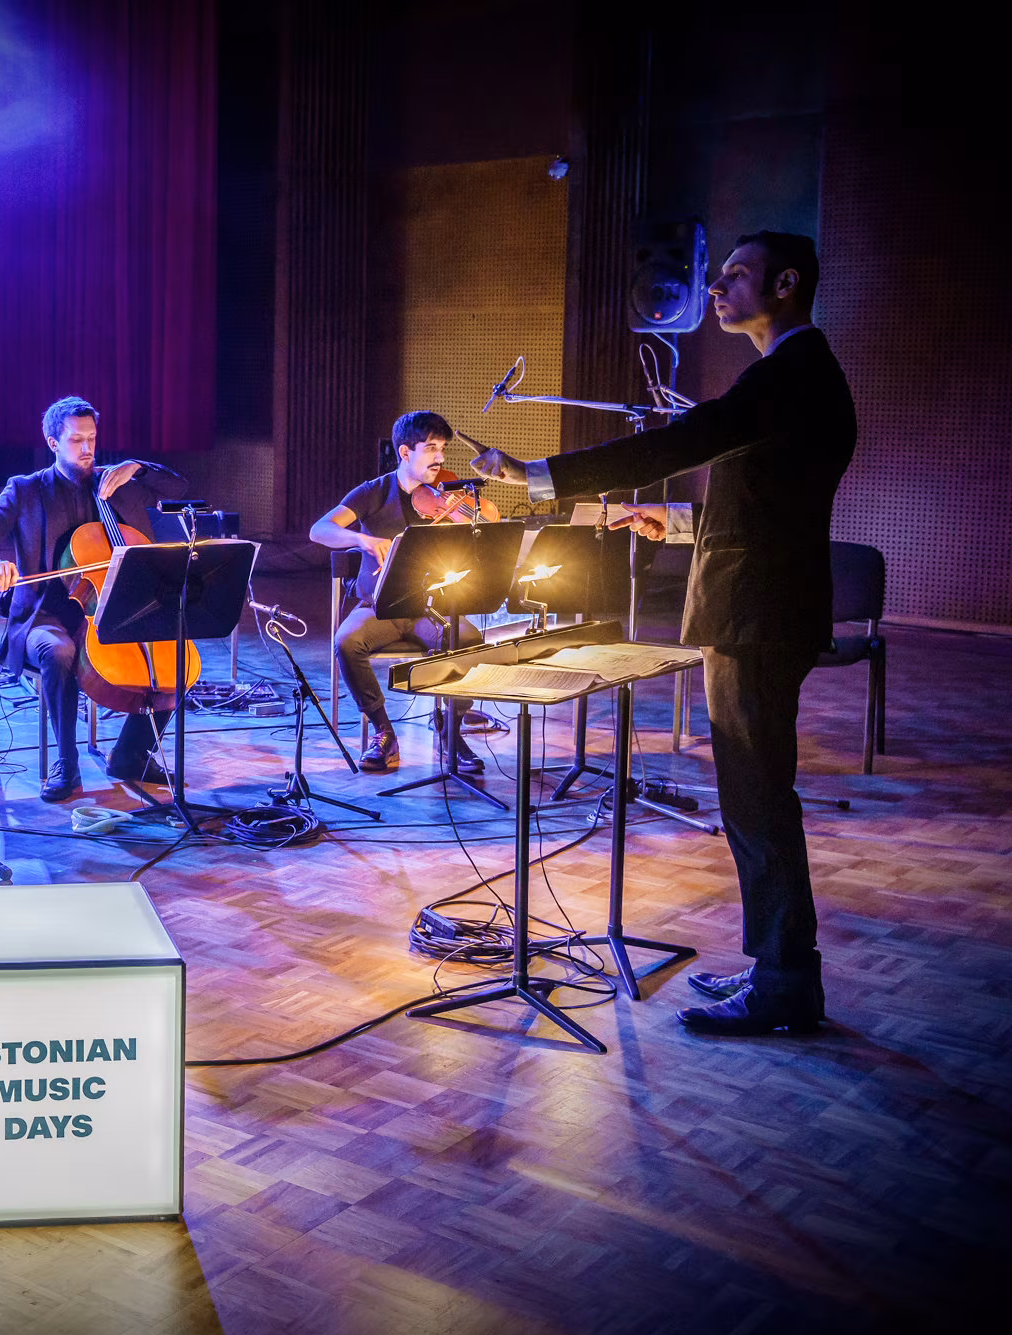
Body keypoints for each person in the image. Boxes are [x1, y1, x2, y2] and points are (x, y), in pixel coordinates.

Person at [472, 231, 854, 1037]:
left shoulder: (789, 372)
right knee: (755, 795)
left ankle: (785, 983)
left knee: (757, 797)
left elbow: (680, 442)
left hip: (755, 615)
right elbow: (765, 504)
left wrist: (538, 477)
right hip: (763, 606)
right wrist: (675, 523)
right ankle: (778, 968)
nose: (717, 288)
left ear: (786, 284)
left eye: (736, 275)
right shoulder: (801, 375)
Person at [0, 396, 186, 803]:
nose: (87, 449)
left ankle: (131, 753)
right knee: (60, 652)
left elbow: (178, 488)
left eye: (92, 438)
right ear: (53, 443)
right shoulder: (25, 490)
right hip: (43, 616)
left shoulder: (115, 484)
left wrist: (136, 467)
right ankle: (66, 762)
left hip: (112, 612)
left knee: (175, 656)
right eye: (76, 440)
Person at [308, 410, 494, 774]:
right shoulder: (374, 492)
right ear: (405, 452)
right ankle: (384, 731)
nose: (440, 458)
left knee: (471, 641)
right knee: (346, 643)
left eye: (442, 448)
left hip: (432, 608)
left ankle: (451, 730)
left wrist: (462, 518)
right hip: (380, 606)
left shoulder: (447, 494)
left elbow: (487, 529)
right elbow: (319, 529)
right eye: (431, 448)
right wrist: (362, 539)